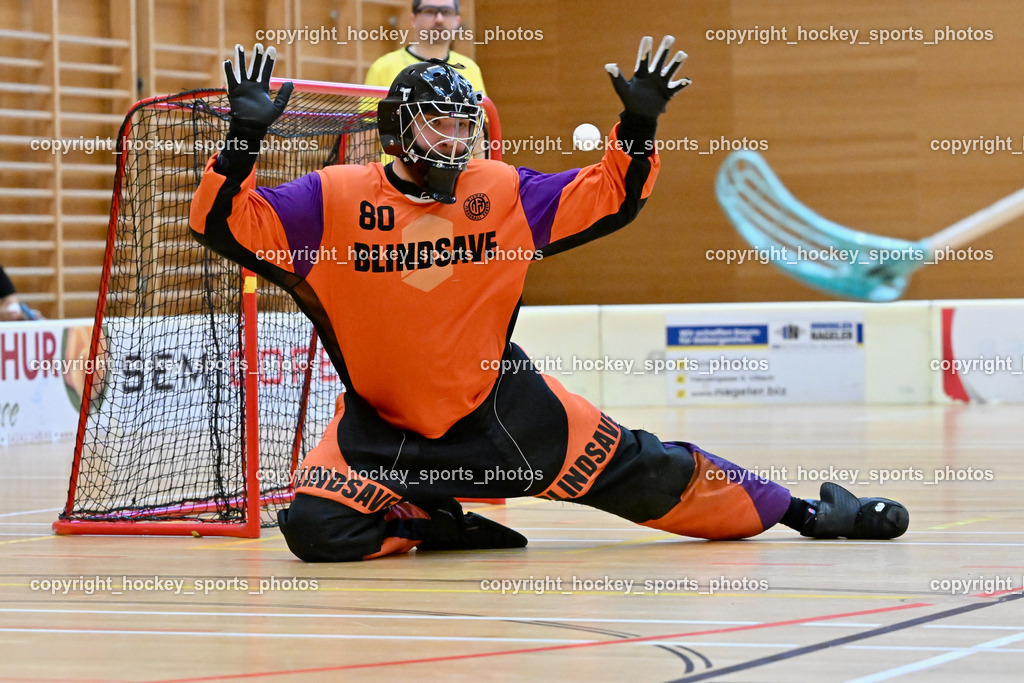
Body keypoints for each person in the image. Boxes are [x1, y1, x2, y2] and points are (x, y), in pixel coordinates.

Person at [189, 39, 909, 562]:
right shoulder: (330, 202)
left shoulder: (500, 191)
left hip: (507, 413)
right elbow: (221, 223)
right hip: (382, 430)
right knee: (314, 531)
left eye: (464, 123)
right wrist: (242, 140)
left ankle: (815, 514)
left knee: (654, 472)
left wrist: (638, 127)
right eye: (438, 122)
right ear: (396, 133)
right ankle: (436, 523)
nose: (458, 137)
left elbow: (611, 197)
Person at [364, 0, 485, 95]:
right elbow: (367, 124)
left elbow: (482, 122)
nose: (439, 19)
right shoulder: (382, 67)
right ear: (413, 19)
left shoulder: (470, 69)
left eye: (446, 12)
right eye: (430, 11)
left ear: (457, 20)